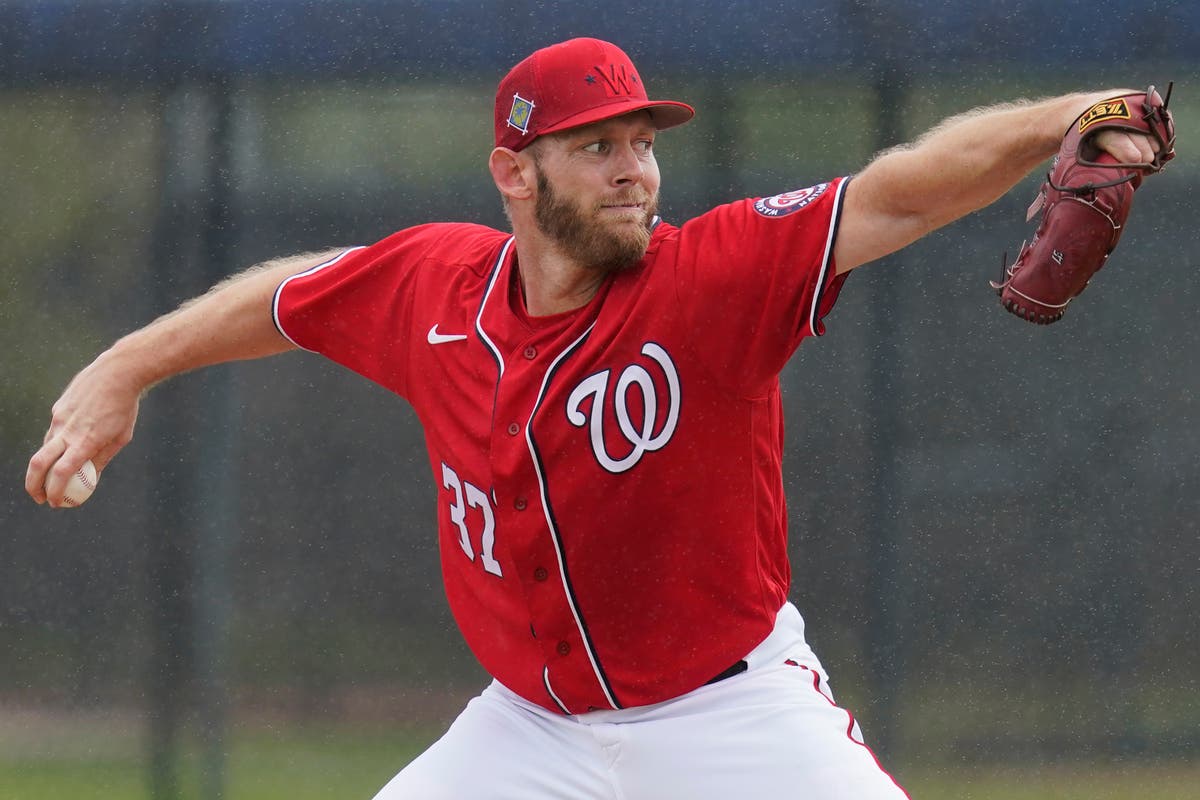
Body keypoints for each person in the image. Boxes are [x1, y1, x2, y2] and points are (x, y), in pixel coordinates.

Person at [27, 37, 1165, 800]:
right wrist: (127, 365)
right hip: (528, 732)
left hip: (732, 711)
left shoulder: (711, 277)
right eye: (595, 148)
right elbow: (282, 298)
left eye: (643, 143)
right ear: (513, 174)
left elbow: (905, 185)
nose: (634, 172)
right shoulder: (436, 288)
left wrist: (1071, 114)